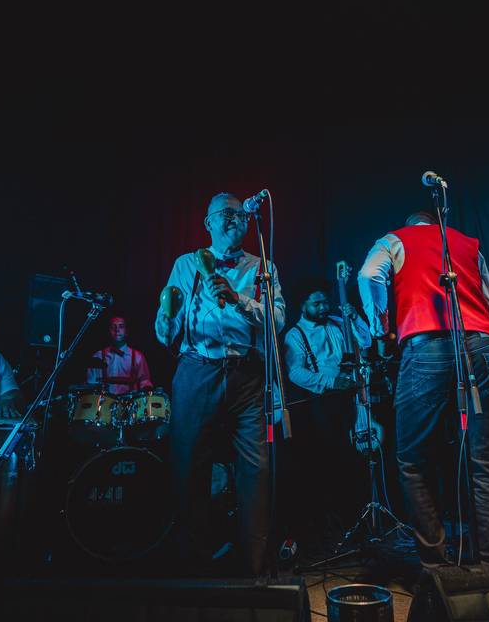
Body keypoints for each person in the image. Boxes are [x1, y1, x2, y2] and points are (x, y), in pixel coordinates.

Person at [358, 210, 489, 566]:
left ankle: (435, 564)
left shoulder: (394, 240)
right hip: (481, 344)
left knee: (413, 460)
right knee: (486, 458)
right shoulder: (469, 244)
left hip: (427, 344)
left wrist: (381, 328)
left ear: (410, 224)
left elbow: (368, 275)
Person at [155, 192, 285, 577]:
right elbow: (168, 325)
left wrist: (240, 298)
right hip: (198, 368)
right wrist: (165, 321)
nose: (235, 220)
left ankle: (253, 565)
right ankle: (193, 562)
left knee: (256, 468)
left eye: (239, 215)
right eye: (225, 215)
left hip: (247, 374)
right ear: (208, 223)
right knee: (190, 465)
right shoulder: (186, 264)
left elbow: (277, 320)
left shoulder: (262, 266)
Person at [282, 288, 373, 545]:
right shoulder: (295, 335)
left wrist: (354, 319)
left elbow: (365, 342)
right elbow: (295, 373)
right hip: (322, 407)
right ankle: (332, 530)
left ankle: (362, 523)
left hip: (354, 400)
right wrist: (332, 381)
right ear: (303, 305)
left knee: (360, 464)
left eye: (325, 301)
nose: (323, 307)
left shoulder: (338, 323)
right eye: (317, 302)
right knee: (332, 467)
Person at [87, 315, 153, 394]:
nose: (117, 330)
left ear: (126, 331)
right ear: (109, 331)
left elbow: (145, 382)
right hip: (104, 404)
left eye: (121, 326)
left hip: (130, 404)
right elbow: (91, 385)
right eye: (113, 327)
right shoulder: (98, 356)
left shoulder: (138, 357)